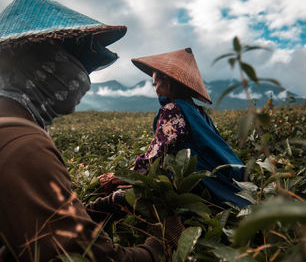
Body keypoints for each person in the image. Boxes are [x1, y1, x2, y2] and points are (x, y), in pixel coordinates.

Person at [0, 0, 182, 262]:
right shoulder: (18, 144)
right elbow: (82, 257)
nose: (85, 79)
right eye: (80, 64)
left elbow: (27, 216)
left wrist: (98, 209)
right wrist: (161, 245)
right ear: (46, 65)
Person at [100, 48, 251, 209]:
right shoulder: (198, 112)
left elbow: (156, 155)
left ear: (168, 82)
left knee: (118, 198)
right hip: (219, 182)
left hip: (198, 186)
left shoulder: (173, 109)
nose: (156, 89)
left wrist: (118, 177)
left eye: (156, 83)